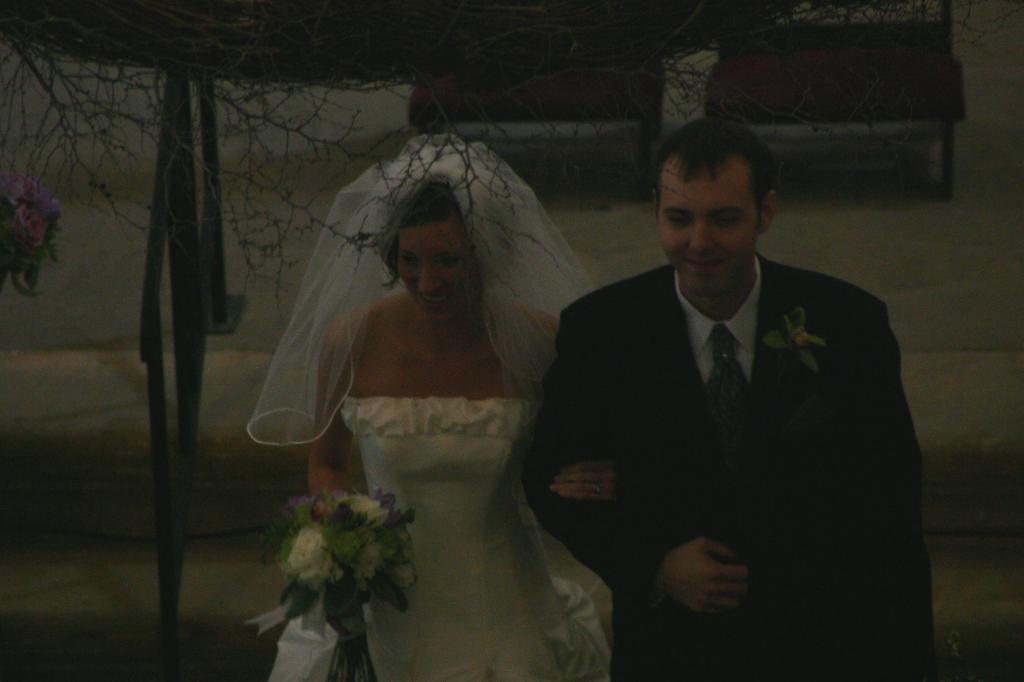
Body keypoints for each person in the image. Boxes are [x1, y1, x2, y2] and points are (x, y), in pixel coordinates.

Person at [523, 117, 936, 681]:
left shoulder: (848, 324)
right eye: (679, 219)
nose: (699, 242)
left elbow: (892, 504)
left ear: (766, 212)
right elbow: (546, 479)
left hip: (819, 641)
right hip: (673, 651)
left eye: (724, 219)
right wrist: (653, 565)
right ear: (656, 212)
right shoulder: (602, 331)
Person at [248, 135, 612, 682]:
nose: (427, 281)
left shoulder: (537, 342)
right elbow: (327, 463)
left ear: (485, 254)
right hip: (389, 600)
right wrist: (341, 544)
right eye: (409, 260)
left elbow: (588, 446)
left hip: (503, 599)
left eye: (448, 260)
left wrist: (595, 478)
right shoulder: (353, 340)